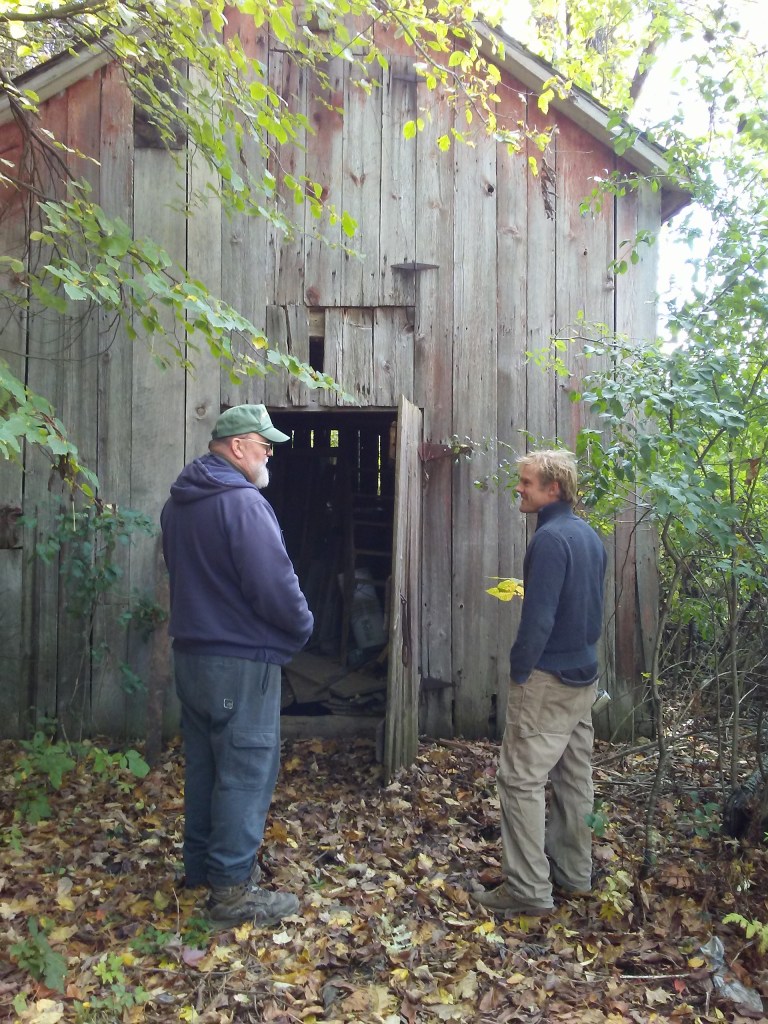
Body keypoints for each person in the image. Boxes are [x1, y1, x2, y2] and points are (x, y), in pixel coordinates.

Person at [161, 404, 313, 929]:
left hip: (191, 657)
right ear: (239, 445)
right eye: (265, 444)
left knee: (206, 766)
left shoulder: (179, 502)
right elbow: (273, 585)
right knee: (246, 773)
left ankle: (202, 869)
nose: (270, 453)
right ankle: (230, 896)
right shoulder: (243, 504)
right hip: (238, 662)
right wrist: (300, 629)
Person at [470, 449, 607, 917]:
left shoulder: (551, 540)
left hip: (548, 678)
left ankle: (527, 890)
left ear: (554, 489)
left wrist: (520, 670)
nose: (519, 489)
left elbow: (539, 618)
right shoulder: (587, 535)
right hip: (584, 676)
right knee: (573, 776)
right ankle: (574, 873)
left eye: (527, 482)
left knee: (519, 780)